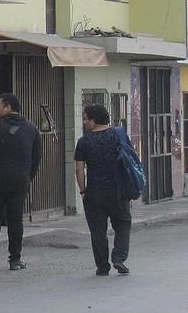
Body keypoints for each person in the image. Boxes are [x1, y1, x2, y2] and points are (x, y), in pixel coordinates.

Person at [0, 93, 42, 271]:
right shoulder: (31, 128)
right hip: (19, 181)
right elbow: (37, 156)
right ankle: (15, 259)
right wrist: (28, 176)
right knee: (15, 219)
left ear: (8, 108)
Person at [75, 103, 132, 276]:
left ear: (93, 121)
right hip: (118, 190)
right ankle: (119, 258)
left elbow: (79, 169)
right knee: (123, 224)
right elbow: (130, 159)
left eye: (86, 119)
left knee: (98, 231)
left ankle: (102, 266)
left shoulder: (84, 141)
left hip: (94, 192)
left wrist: (83, 190)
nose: (84, 122)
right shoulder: (119, 136)